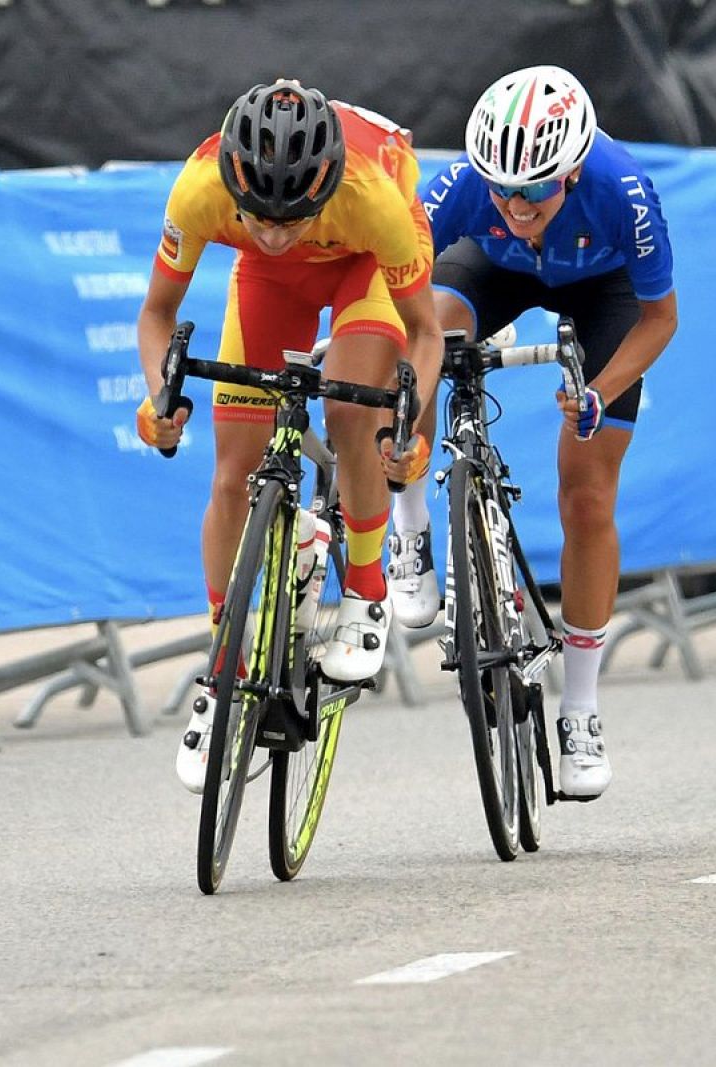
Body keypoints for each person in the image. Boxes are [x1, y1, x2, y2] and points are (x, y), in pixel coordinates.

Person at [133, 80, 441, 793]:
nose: (273, 232)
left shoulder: (372, 197)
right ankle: (225, 670)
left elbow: (426, 332)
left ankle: (366, 592)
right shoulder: (202, 188)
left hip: (363, 268)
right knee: (230, 474)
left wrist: (408, 416)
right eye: (258, 217)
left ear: (323, 187)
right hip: (270, 287)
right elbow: (156, 316)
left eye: (291, 217)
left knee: (348, 416)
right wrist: (160, 395)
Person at [382, 65, 678, 799]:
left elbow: (660, 317)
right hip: (493, 272)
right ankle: (411, 521)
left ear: (573, 171)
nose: (516, 203)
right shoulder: (461, 191)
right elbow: (390, 285)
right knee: (423, 342)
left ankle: (580, 707)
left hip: (600, 288)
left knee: (586, 496)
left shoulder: (624, 192)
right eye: (501, 188)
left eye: (536, 189)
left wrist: (600, 391)